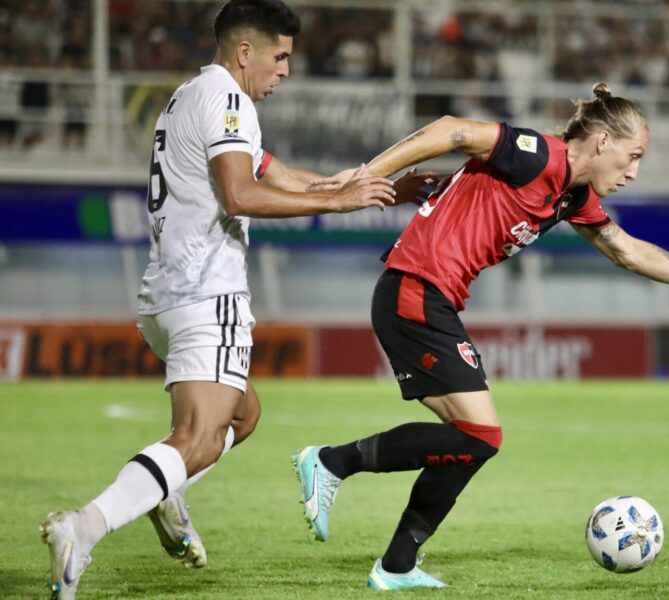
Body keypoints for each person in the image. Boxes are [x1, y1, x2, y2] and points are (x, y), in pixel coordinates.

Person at [292, 83, 669, 590]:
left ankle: (397, 565)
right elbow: (450, 129)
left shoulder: (573, 194)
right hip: (415, 289)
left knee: (473, 442)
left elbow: (626, 251)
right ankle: (330, 462)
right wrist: (370, 175)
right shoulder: (538, 155)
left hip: (428, 298)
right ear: (603, 141)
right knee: (481, 436)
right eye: (633, 157)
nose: (634, 172)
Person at [39, 2, 407, 598]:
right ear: (245, 53)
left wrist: (350, 186)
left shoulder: (190, 96)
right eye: (280, 56)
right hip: (208, 294)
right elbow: (240, 194)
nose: (285, 69)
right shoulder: (230, 99)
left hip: (166, 296)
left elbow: (271, 170)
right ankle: (84, 527)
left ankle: (166, 490)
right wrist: (335, 205)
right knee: (198, 438)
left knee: (243, 414)